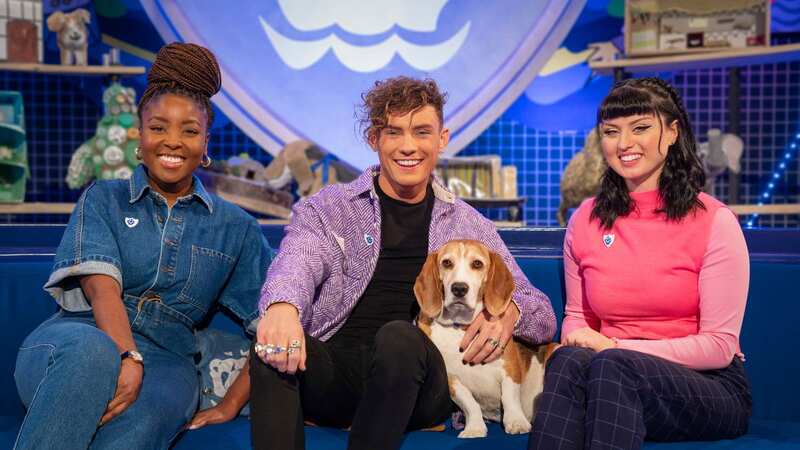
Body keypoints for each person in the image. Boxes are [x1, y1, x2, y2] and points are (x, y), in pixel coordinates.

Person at [247, 76, 556, 450]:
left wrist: (510, 313)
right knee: (269, 347)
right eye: (394, 133)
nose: (408, 146)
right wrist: (281, 306)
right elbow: (298, 258)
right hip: (336, 375)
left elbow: (542, 315)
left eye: (422, 132)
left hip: (418, 386)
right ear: (374, 139)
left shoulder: (469, 225)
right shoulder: (329, 208)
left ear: (441, 139)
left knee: (399, 337)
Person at [13, 42, 271, 450]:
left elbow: (275, 321)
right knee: (92, 354)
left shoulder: (235, 228)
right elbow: (101, 288)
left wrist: (232, 402)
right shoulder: (103, 198)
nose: (172, 142)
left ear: (206, 143)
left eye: (189, 130)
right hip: (75, 340)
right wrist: (126, 357)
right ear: (140, 133)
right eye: (158, 127)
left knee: (140, 422)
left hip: (168, 362)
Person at [528, 77, 751, 450]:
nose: (624, 143)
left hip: (709, 386)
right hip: (610, 378)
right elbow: (578, 319)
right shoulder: (585, 219)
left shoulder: (714, 220)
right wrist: (594, 344)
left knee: (612, 366)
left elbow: (718, 347)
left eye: (641, 128)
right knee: (567, 361)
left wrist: (615, 346)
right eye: (612, 132)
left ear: (671, 132)